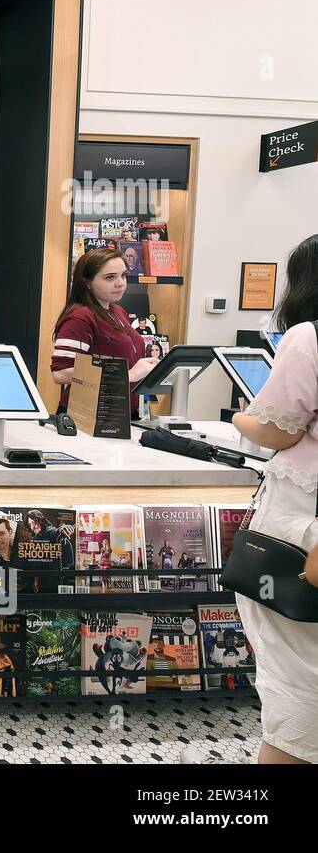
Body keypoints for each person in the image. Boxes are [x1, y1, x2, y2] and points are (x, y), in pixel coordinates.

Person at [230, 233, 318, 764]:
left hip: (301, 531)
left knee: (298, 686)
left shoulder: (308, 337)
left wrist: (243, 416)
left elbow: (277, 429)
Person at [50, 247, 155, 415]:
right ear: (87, 283)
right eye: (110, 277)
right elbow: (60, 373)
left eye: (123, 275)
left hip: (122, 411)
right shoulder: (81, 317)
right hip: (90, 415)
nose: (120, 283)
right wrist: (126, 375)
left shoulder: (117, 311)